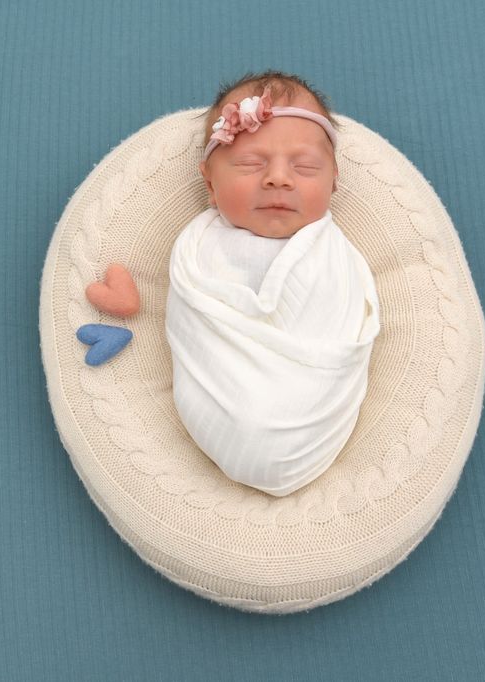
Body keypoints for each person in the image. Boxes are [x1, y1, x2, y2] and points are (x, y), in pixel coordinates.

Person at [165, 71, 381, 497]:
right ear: (210, 183)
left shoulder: (331, 252)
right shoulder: (198, 248)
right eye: (250, 164)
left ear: (333, 181)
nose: (279, 178)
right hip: (227, 403)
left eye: (305, 167)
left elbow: (342, 319)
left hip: (309, 408)